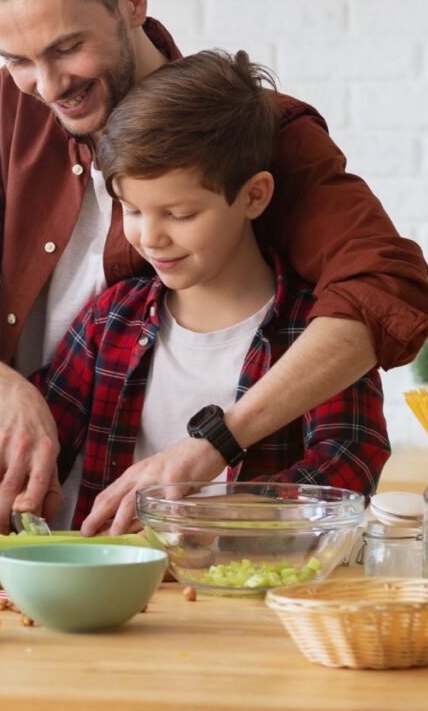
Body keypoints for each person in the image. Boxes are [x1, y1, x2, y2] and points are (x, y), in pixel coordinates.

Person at [0, 0, 428, 534]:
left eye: (65, 48)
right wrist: (6, 394)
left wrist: (215, 447)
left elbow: (384, 288)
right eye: (17, 59)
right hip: (55, 546)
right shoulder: (8, 110)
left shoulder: (253, 132)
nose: (47, 86)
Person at [32, 50, 391, 535]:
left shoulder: (316, 333)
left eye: (180, 215)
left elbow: (347, 466)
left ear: (254, 196)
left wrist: (200, 519)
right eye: (132, 210)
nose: (150, 238)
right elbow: (43, 439)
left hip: (251, 597)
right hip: (113, 595)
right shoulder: (109, 320)